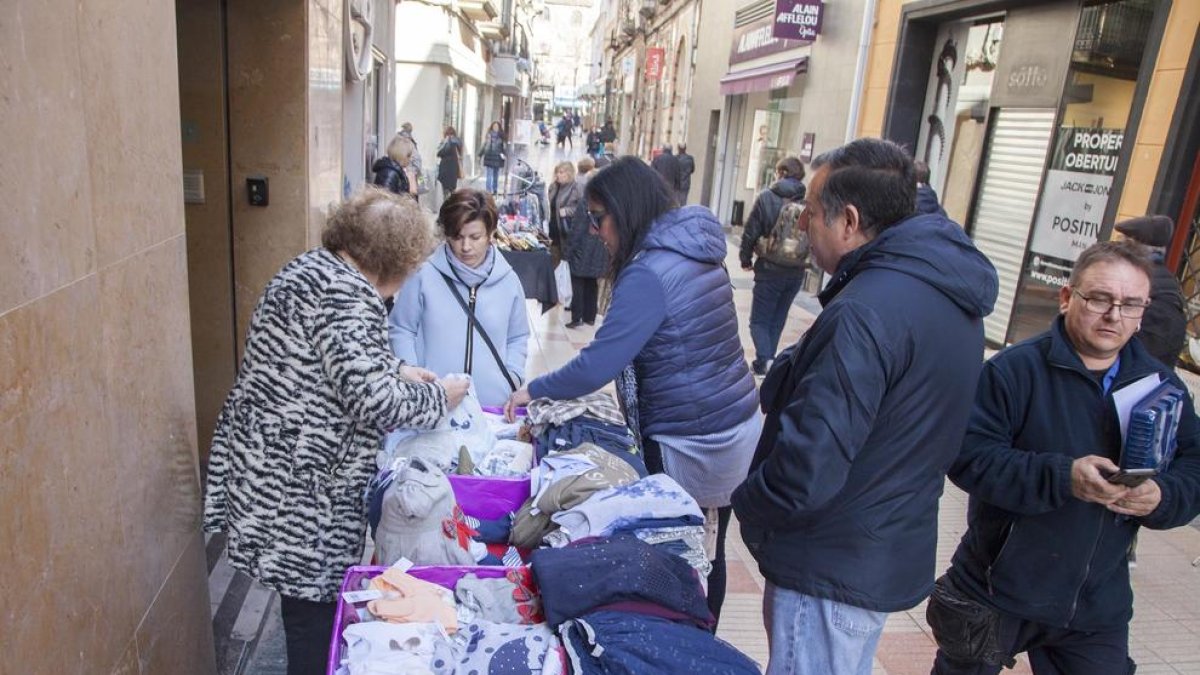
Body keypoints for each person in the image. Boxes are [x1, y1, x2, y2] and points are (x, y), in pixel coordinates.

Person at [731, 138, 999, 675]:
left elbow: (809, 466)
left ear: (849, 220)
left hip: (831, 560)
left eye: (810, 212)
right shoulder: (944, 291)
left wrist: (749, 502)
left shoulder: (868, 308)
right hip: (873, 546)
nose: (803, 224)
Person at [203, 187, 471, 675]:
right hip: (304, 491)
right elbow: (375, 400)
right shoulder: (347, 294)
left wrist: (395, 368)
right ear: (395, 258)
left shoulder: (308, 270)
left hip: (272, 470)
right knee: (314, 617)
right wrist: (440, 397)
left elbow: (329, 361)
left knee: (304, 610)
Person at [505, 157, 761, 628]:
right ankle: (702, 628)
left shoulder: (650, 271)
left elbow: (599, 363)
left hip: (693, 436)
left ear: (626, 211)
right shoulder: (694, 245)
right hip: (732, 421)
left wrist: (534, 390)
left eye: (599, 217)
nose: (595, 230)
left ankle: (684, 634)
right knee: (708, 538)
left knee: (680, 545)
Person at [929, 239, 1200, 675]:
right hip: (998, 587)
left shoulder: (1159, 383)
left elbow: (1195, 464)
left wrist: (1163, 497)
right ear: (1067, 296)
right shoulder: (1013, 371)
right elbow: (967, 456)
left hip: (1094, 604)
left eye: (1130, 304)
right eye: (1100, 299)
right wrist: (1061, 477)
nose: (1114, 315)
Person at [389, 188, 529, 408]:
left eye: (475, 237)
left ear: (491, 233)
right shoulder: (423, 276)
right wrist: (414, 378)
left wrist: (512, 377)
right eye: (457, 237)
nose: (465, 247)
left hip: (490, 407)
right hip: (432, 404)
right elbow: (401, 329)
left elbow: (518, 336)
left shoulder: (509, 281)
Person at [739, 156, 808, 376]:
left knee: (758, 321)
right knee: (777, 319)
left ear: (783, 173)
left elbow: (751, 231)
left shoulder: (767, 197)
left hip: (769, 269)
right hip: (796, 271)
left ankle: (765, 360)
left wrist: (745, 258)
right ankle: (766, 360)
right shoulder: (807, 200)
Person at [1114, 215, 1186, 368]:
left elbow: (1144, 354)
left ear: (1131, 248)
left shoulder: (1154, 291)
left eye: (1120, 244)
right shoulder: (1157, 282)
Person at [565, 159, 608, 328]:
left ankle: (577, 317)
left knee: (578, 282)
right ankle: (590, 315)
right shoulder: (608, 202)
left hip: (584, 247)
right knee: (592, 282)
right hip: (599, 248)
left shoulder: (587, 201)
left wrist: (569, 250)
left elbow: (578, 228)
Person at [547, 160, 583, 270]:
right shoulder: (553, 187)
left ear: (569, 173)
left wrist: (567, 211)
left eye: (562, 172)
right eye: (557, 172)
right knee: (553, 258)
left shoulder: (576, 188)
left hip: (566, 228)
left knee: (564, 260)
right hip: (553, 227)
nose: (558, 175)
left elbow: (582, 208)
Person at [435, 126, 463, 201]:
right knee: (452, 188)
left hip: (445, 168)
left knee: (445, 190)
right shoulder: (458, 141)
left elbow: (440, 153)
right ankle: (453, 205)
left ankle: (447, 205)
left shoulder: (447, 141)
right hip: (454, 168)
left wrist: (443, 143)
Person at [479, 121, 506, 194]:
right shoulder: (497, 136)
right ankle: (491, 190)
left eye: (496, 127)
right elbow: (485, 146)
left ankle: (492, 190)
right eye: (494, 127)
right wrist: (480, 154)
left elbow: (503, 148)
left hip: (495, 158)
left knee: (494, 176)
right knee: (491, 175)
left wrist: (504, 155)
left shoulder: (498, 136)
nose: (495, 128)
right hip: (492, 158)